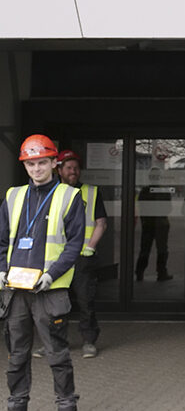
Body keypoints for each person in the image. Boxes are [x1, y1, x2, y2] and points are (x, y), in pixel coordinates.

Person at [0, 134, 84, 411]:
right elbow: (1, 240)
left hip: (50, 290)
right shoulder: (13, 196)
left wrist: (52, 274)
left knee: (57, 355)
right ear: (26, 165)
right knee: (16, 356)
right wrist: (0, 269)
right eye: (31, 163)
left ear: (54, 163)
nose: (37, 169)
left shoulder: (69, 196)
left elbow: (75, 244)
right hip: (16, 290)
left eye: (42, 163)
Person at [57, 149, 107, 358]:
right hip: (58, 258)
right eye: (69, 168)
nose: (73, 171)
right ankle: (57, 342)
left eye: (76, 168)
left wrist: (91, 247)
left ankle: (88, 341)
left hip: (82, 257)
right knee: (57, 303)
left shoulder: (91, 192)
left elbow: (101, 223)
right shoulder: (52, 193)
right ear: (59, 170)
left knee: (85, 300)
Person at [135, 169, 173, 282]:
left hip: (148, 223)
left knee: (145, 249)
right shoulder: (164, 191)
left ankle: (139, 272)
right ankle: (161, 272)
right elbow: (168, 208)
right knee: (162, 249)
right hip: (161, 223)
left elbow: (141, 207)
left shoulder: (144, 191)